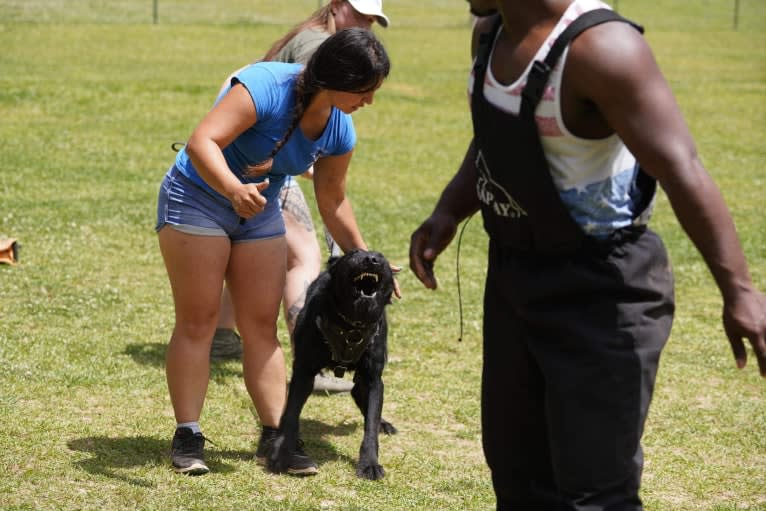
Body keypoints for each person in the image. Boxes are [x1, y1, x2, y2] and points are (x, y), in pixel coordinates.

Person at [409, 0, 766, 509]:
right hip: (514, 278)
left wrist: (740, 291)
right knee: (518, 475)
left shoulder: (601, 49)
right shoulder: (490, 34)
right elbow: (496, 133)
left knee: (596, 492)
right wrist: (449, 209)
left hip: (603, 291)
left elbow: (682, 165)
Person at [156, 27, 391, 475]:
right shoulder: (267, 85)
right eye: (364, 90)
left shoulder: (340, 128)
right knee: (200, 319)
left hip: (259, 209)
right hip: (198, 198)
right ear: (336, 78)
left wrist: (367, 261)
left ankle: (277, 435)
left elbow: (333, 198)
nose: (369, 101)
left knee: (261, 324)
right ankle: (188, 433)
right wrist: (232, 187)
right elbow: (201, 141)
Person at [211, 0, 390, 395]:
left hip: (270, 166)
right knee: (304, 256)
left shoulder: (320, 39)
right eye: (361, 17)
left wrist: (364, 256)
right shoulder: (320, 49)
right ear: (339, 6)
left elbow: (331, 190)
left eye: (373, 22)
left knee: (257, 252)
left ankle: (222, 333)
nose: (366, 27)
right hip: (256, 167)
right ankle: (314, 353)